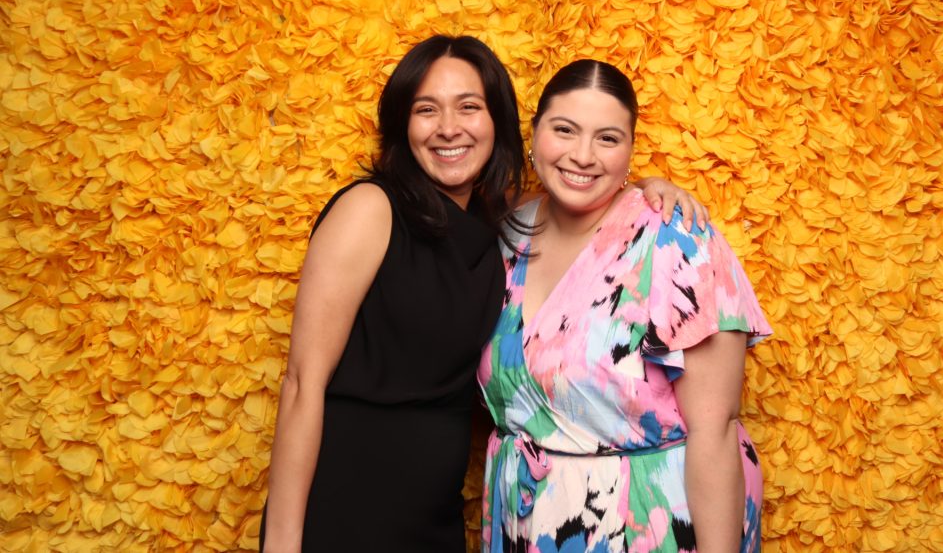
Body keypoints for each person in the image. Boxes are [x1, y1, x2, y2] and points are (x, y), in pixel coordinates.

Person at [259, 36, 708, 553]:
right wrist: (283, 542)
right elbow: (301, 384)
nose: (449, 127)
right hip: (349, 504)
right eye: (427, 109)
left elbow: (582, 189)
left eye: (468, 107)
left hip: (433, 515)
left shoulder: (499, 222)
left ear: (497, 121)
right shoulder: (370, 209)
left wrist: (648, 187)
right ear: (403, 124)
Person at [478, 59, 773, 553]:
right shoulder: (507, 232)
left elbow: (715, 433)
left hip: (645, 524)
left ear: (631, 150)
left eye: (608, 139)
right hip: (525, 518)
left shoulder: (678, 240)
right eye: (564, 130)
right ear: (534, 135)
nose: (583, 155)